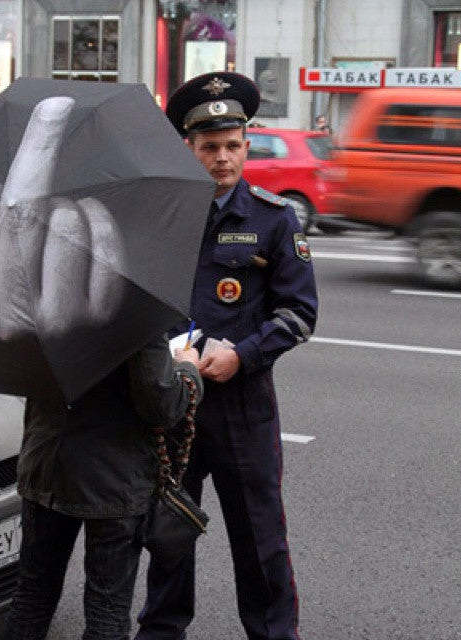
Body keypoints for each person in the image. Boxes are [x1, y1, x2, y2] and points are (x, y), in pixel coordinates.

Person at [135, 72, 318, 640]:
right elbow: (137, 300)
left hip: (242, 406)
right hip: (174, 401)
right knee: (167, 530)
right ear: (188, 148)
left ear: (246, 144)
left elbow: (298, 314)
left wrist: (243, 354)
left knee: (259, 537)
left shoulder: (272, 219)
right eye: (209, 147)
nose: (222, 159)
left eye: (232, 146)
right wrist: (167, 352)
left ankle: (272, 633)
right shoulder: (161, 217)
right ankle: (163, 629)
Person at [3, 337, 203, 640]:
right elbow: (161, 407)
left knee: (32, 596)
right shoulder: (137, 308)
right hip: (114, 476)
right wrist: (188, 370)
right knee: (107, 611)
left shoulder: (37, 300)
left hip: (47, 460)